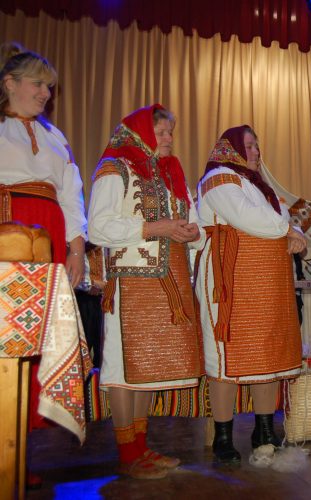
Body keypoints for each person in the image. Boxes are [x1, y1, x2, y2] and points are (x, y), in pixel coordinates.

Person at [88, 104, 204, 479]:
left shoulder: (171, 175)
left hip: (168, 279)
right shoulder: (114, 168)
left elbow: (194, 226)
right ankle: (128, 453)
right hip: (130, 282)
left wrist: (191, 232)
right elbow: (98, 227)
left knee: (147, 366)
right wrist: (157, 228)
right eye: (162, 132)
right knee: (124, 368)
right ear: (140, 133)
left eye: (171, 132)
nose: (169, 138)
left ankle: (141, 446)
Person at [0, 42, 87, 489]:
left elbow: (71, 193)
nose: (45, 94)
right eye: (38, 84)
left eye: (49, 88)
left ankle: (15, 450)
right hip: (7, 229)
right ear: (9, 84)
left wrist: (76, 247)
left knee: (35, 340)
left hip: (48, 235)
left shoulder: (56, 138)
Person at [195, 125, 305, 465]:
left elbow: (277, 220)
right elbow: (256, 220)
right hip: (230, 281)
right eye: (250, 146)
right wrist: (288, 226)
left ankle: (264, 431)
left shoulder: (259, 186)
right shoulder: (219, 178)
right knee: (226, 356)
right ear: (231, 150)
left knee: (266, 354)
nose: (257, 152)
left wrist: (292, 229)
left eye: (257, 146)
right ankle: (223, 436)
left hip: (265, 284)